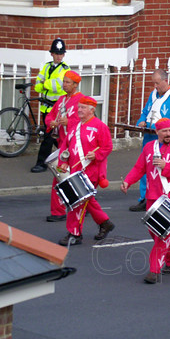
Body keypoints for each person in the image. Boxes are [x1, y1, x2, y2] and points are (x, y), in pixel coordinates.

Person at [121, 118, 170, 284]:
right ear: (157, 132)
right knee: (154, 231)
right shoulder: (148, 147)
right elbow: (139, 168)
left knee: (163, 234)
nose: (168, 134)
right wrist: (128, 181)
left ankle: (154, 270)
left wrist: (167, 167)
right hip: (152, 195)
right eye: (165, 131)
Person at [56, 96, 115, 246]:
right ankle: (104, 222)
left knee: (78, 202)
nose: (79, 110)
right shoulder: (75, 126)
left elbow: (107, 147)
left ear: (92, 110)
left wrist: (96, 155)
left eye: (83, 108)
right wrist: (63, 161)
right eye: (79, 107)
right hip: (75, 169)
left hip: (91, 171)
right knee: (86, 200)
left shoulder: (100, 126)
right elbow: (65, 145)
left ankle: (74, 234)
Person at [130, 69, 170, 212]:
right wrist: (142, 121)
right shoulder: (153, 94)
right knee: (147, 166)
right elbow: (146, 112)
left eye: (157, 83)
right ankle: (145, 197)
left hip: (168, 140)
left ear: (165, 81)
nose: (155, 86)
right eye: (154, 83)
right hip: (150, 137)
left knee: (167, 169)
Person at [44, 71, 83, 222]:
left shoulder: (81, 100)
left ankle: (69, 208)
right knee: (60, 175)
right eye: (64, 82)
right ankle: (59, 210)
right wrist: (51, 123)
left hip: (76, 145)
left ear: (75, 84)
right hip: (63, 144)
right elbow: (50, 116)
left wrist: (70, 123)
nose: (64, 85)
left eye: (67, 82)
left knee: (70, 176)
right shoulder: (61, 100)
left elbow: (86, 121)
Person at [31, 37, 70, 173]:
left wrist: (45, 84)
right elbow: (37, 85)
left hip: (58, 107)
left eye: (60, 54)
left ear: (63, 54)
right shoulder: (47, 66)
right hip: (46, 107)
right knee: (56, 136)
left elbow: (58, 86)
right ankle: (66, 157)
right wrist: (47, 84)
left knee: (48, 135)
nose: (58, 56)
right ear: (51, 53)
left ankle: (41, 163)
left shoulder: (65, 69)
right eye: (56, 53)